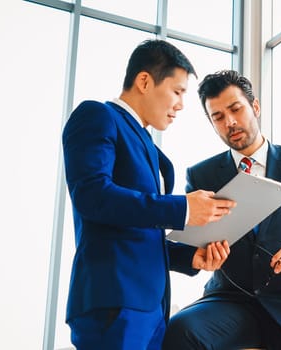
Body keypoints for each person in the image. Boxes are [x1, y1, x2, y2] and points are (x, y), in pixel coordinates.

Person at [162, 70, 281, 350]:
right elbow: (188, 242)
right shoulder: (201, 175)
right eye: (218, 117)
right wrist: (199, 256)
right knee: (179, 331)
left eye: (235, 109)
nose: (229, 122)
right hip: (231, 301)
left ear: (255, 107)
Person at [61, 39, 235, 350]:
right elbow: (92, 196)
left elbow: (139, 231)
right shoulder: (97, 116)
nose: (181, 104)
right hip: (114, 303)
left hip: (152, 309)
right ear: (144, 81)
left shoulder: (151, 148)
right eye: (178, 91)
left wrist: (189, 256)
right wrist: (182, 209)